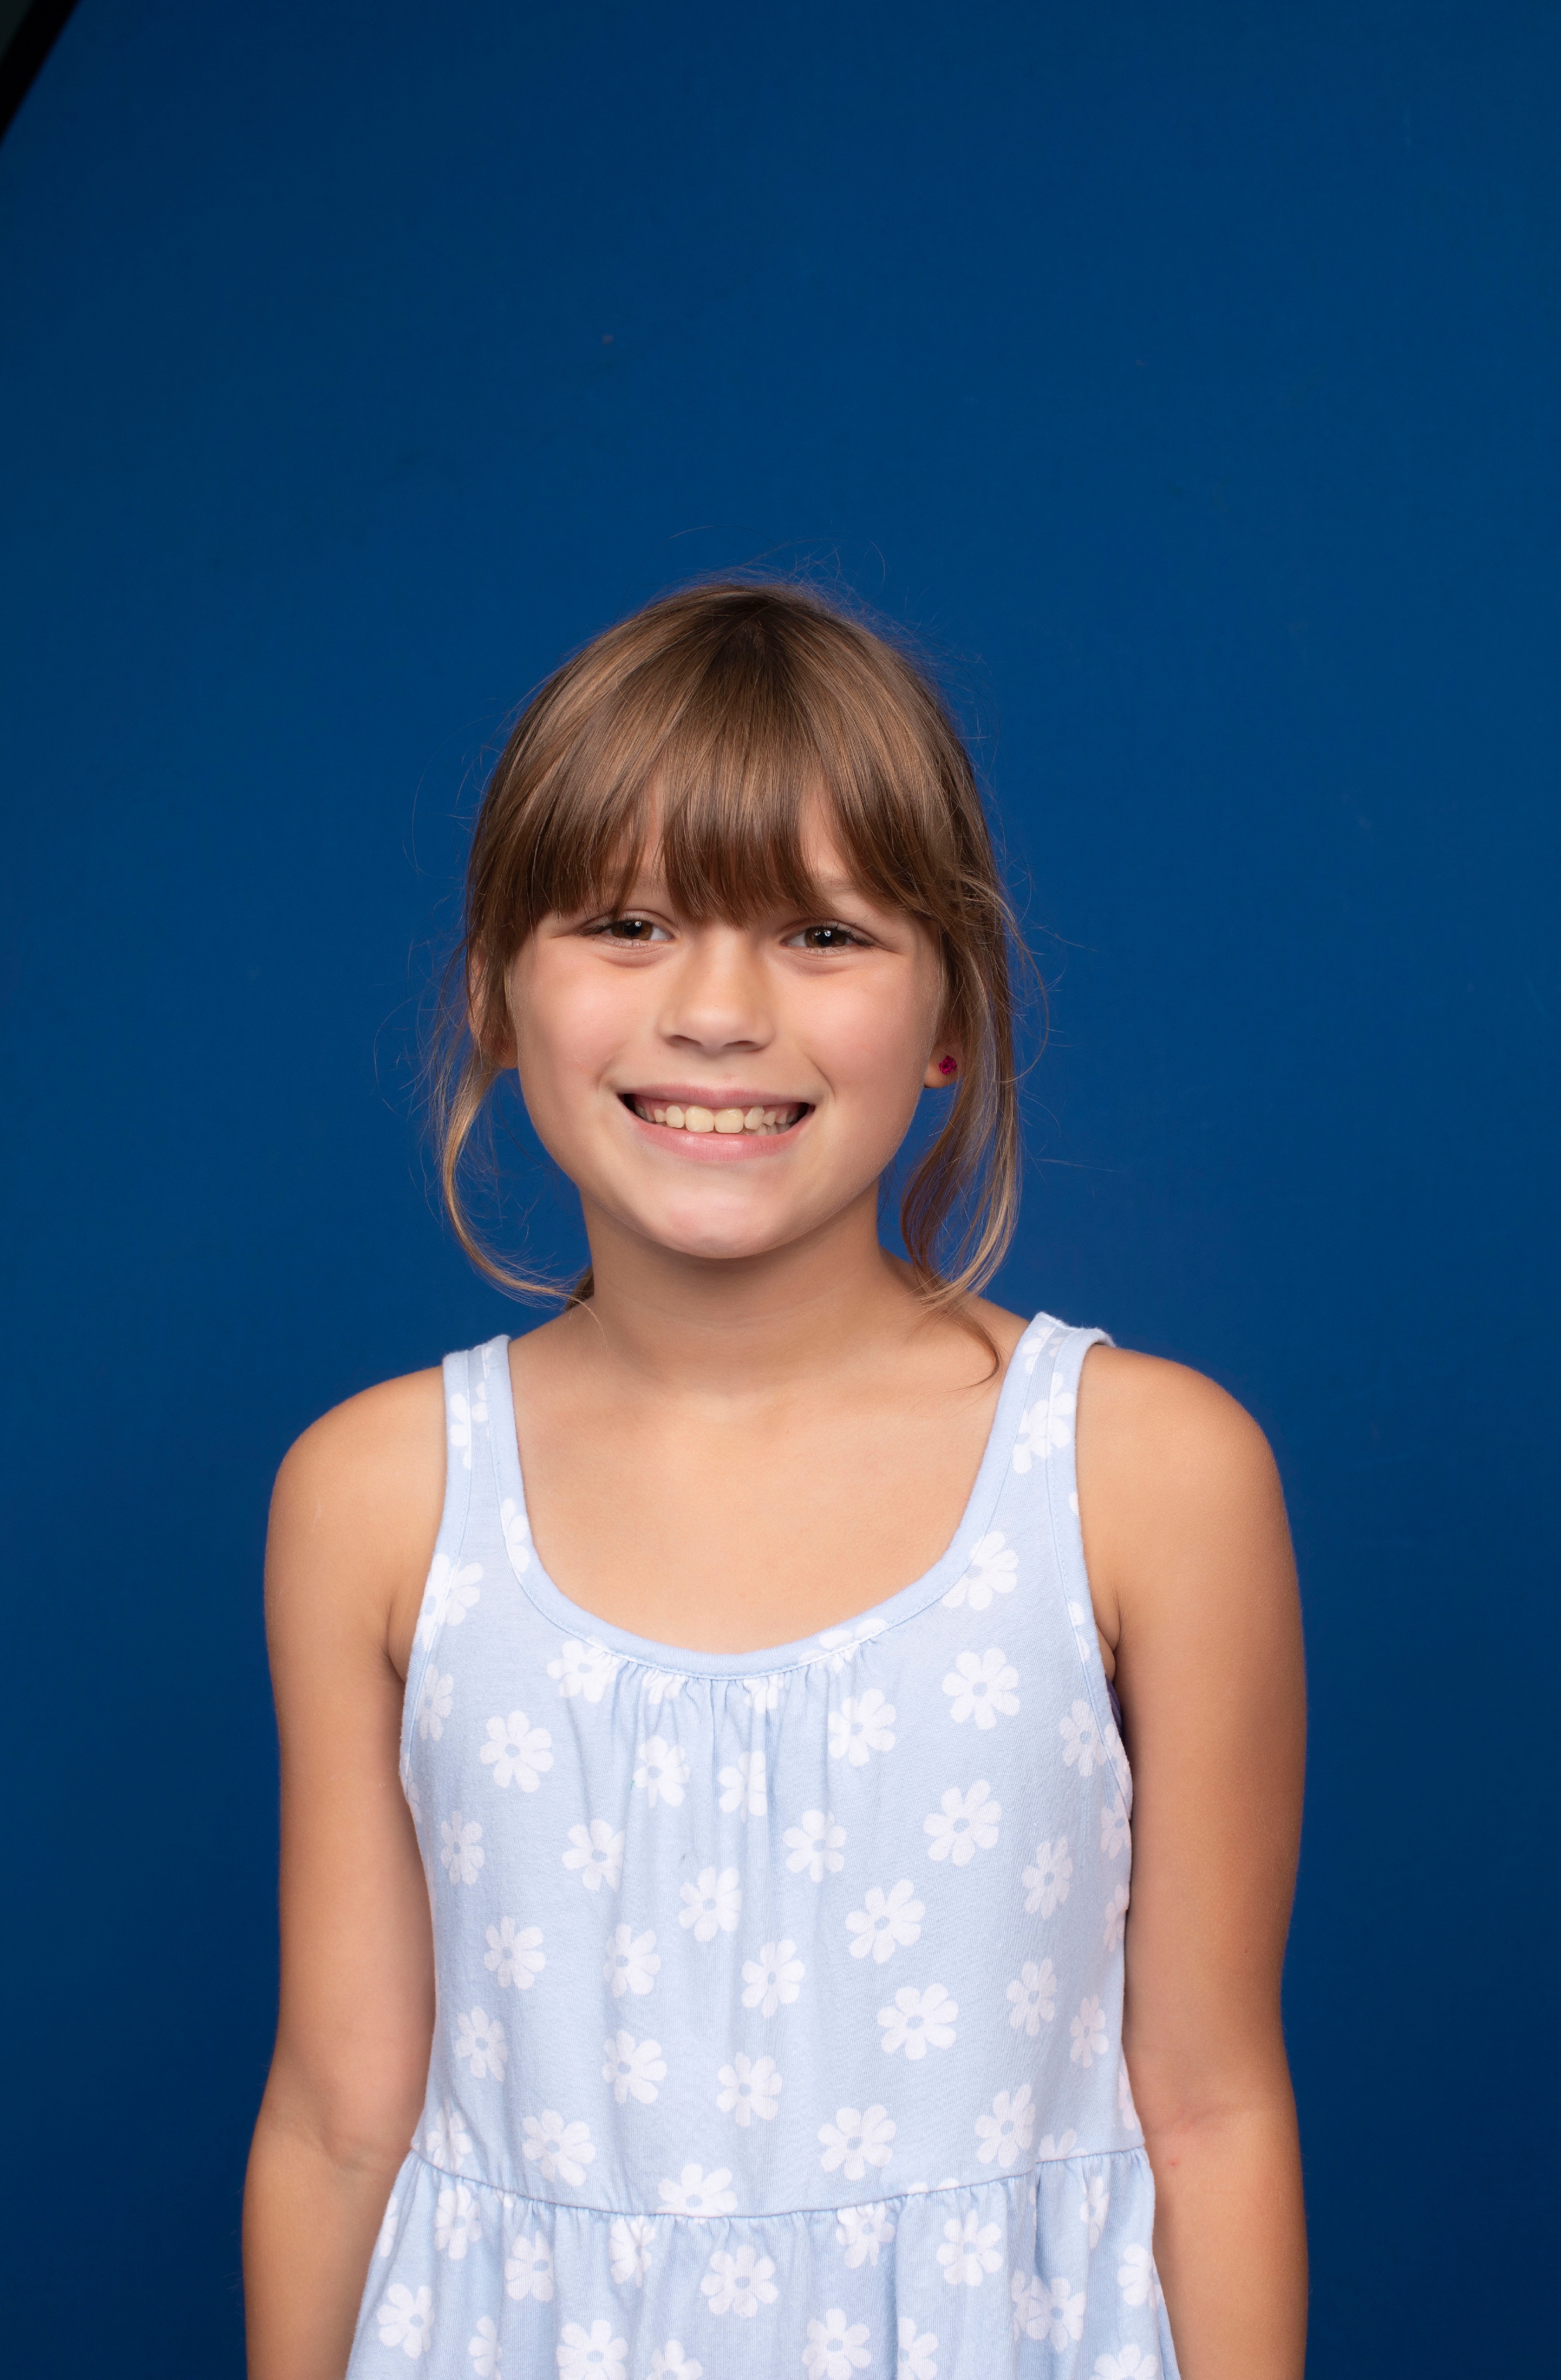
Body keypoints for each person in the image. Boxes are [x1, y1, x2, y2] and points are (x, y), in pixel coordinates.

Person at [242, 581, 1307, 2380]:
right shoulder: (375, 1495)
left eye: (823, 933)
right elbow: (340, 2122)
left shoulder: (1145, 1474)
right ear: (497, 993)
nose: (720, 1012)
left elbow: (1212, 2115)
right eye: (628, 923)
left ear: (953, 1013)